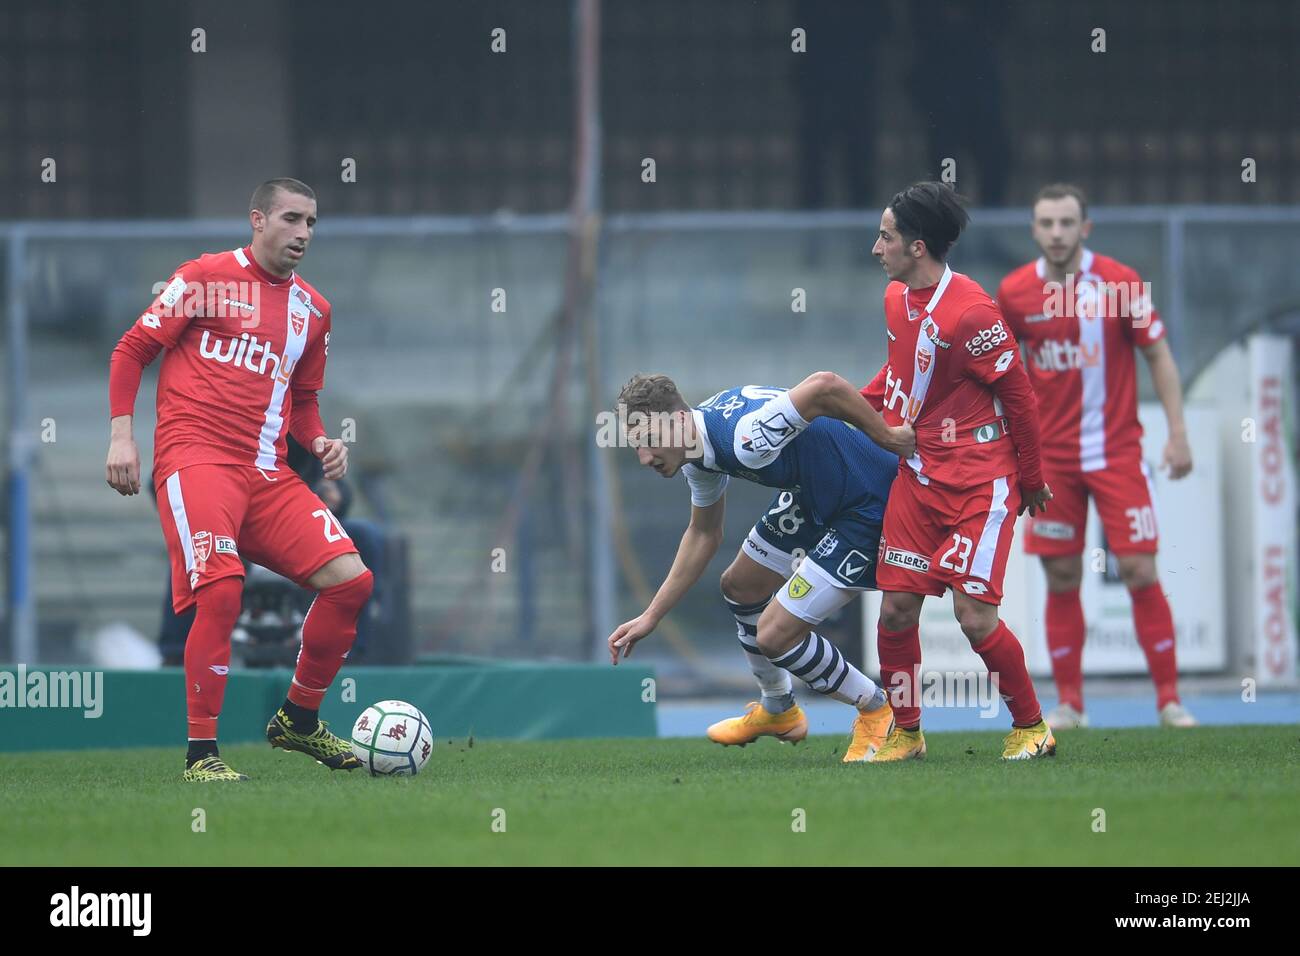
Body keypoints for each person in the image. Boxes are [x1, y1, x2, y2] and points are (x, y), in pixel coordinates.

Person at [106, 177, 373, 781]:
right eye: (291, 219)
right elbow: (131, 350)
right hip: (194, 460)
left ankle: (298, 721)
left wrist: (322, 440)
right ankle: (202, 755)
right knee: (223, 591)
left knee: (351, 583)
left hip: (266, 474)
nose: (303, 233)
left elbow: (302, 402)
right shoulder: (204, 277)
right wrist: (122, 435)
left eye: (311, 223)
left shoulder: (314, 310)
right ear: (257, 219)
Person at [607, 372, 914, 763]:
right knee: (741, 585)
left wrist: (887, 437)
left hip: (868, 502)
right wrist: (652, 616)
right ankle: (779, 709)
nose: (645, 458)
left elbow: (825, 386)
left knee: (773, 637)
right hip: (816, 494)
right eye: (638, 446)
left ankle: (875, 708)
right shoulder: (697, 457)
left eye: (649, 442)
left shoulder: (746, 438)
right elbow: (704, 534)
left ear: (680, 422)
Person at [860, 182, 1054, 761]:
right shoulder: (897, 298)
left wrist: (1032, 478)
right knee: (895, 608)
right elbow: (896, 376)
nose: (876, 248)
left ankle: (1032, 726)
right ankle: (908, 733)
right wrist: (846, 410)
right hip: (917, 477)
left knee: (973, 616)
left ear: (917, 247)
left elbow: (1019, 397)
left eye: (886, 237)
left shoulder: (972, 312)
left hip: (979, 482)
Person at [996, 183, 1196, 729]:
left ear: (1085, 229)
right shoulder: (1013, 293)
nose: (1056, 233)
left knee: (1137, 568)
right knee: (1062, 577)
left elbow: (1158, 354)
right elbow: (996, 373)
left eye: (1067, 223)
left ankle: (1170, 701)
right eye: (1046, 223)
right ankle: (1069, 705)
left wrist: (1177, 432)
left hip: (1116, 453)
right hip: (1051, 462)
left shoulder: (1120, 282)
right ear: (1034, 230)